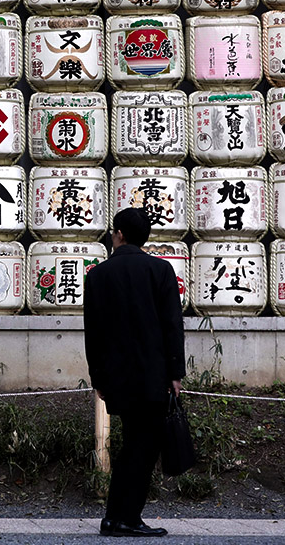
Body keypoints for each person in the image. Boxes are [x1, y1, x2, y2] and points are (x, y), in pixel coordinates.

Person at [83, 208, 185, 538]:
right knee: (142, 449)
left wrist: (97, 377)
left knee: (132, 446)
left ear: (120, 235)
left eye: (114, 232)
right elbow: (172, 325)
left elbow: (93, 332)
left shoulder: (98, 275)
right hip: (153, 375)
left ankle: (115, 518)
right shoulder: (161, 270)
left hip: (117, 377)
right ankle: (128, 518)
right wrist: (175, 372)